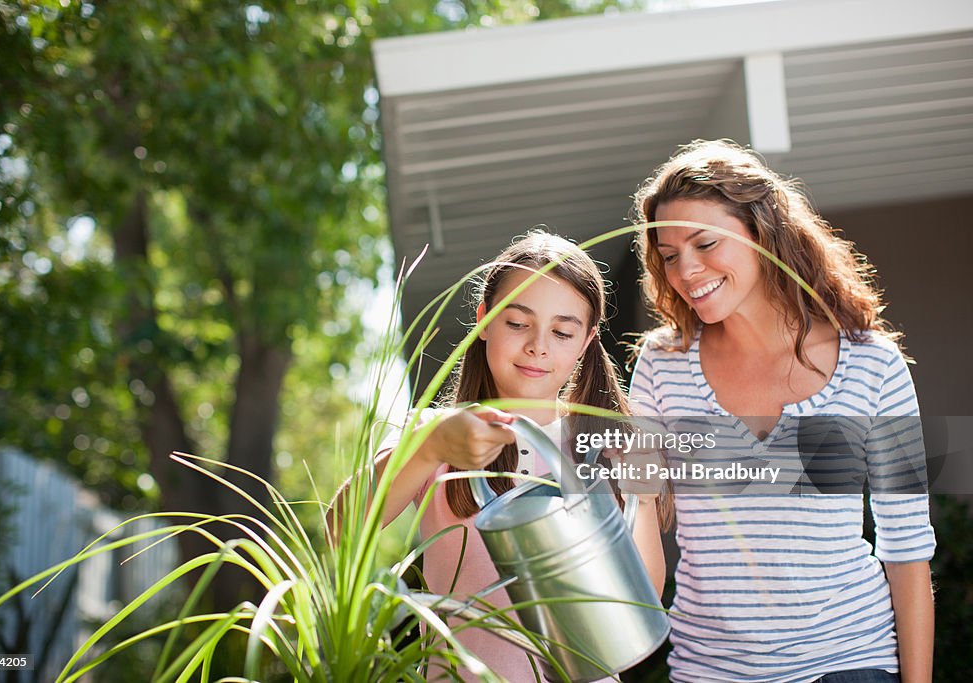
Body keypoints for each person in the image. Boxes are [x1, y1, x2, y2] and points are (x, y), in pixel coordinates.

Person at [625, 139, 936, 683]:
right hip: (712, 671)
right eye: (670, 256)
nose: (686, 270)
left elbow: (906, 550)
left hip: (848, 659)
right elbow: (639, 511)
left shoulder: (873, 364)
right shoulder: (661, 366)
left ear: (762, 234)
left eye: (705, 243)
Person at [346, 229, 666, 682]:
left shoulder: (607, 445)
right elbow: (343, 525)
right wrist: (432, 447)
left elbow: (641, 601)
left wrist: (645, 498)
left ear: (587, 340)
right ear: (483, 320)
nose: (538, 345)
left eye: (562, 331)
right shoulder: (435, 435)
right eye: (517, 323)